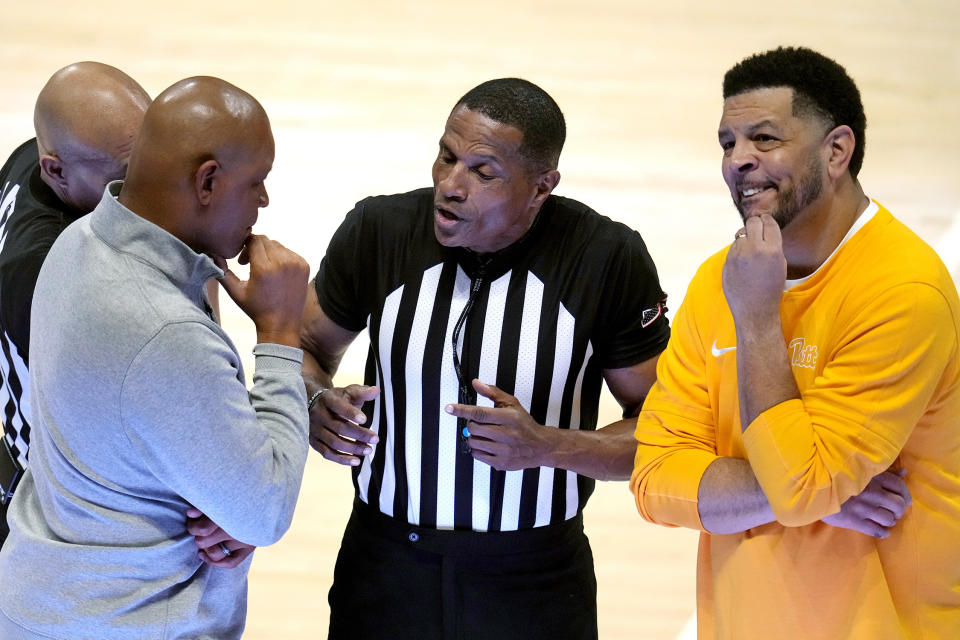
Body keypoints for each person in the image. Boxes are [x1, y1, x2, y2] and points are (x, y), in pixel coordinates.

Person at [300, 77, 670, 639]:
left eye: (482, 172)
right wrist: (313, 399)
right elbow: (304, 347)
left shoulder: (605, 258)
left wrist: (548, 444)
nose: (450, 185)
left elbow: (666, 431)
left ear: (541, 186)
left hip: (535, 580)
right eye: (446, 157)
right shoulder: (378, 231)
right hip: (383, 568)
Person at [630, 46, 960, 639]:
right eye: (728, 143)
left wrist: (757, 319)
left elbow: (802, 484)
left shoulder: (903, 290)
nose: (739, 161)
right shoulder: (719, 279)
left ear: (837, 151)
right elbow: (654, 480)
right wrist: (795, 497)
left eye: (764, 139)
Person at [0, 76, 311, 639]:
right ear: (208, 181)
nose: (264, 201)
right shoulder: (161, 332)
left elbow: (167, 423)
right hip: (121, 623)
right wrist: (280, 334)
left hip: (53, 598)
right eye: (258, 183)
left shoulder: (78, 242)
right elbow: (264, 511)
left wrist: (226, 482)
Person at [0, 62, 151, 543]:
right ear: (57, 170)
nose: (156, 189)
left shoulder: (34, 156)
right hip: (53, 510)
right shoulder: (48, 274)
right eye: (129, 177)